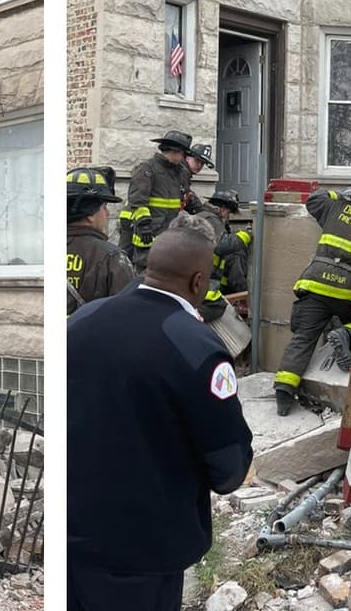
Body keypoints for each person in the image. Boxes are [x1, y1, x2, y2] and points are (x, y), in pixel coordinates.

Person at [67, 228, 253, 610]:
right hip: (144, 551)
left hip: (72, 536)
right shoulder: (195, 346)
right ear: (198, 280)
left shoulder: (83, 319)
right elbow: (229, 465)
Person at [273, 169, 351, 416]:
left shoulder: (334, 208)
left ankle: (284, 392)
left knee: (303, 338)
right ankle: (347, 335)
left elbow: (314, 199)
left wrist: (340, 196)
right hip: (347, 291)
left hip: (315, 284)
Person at [120, 131, 194, 270]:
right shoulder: (147, 169)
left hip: (169, 231)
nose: (183, 158)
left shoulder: (180, 172)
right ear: (173, 151)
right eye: (182, 154)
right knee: (146, 269)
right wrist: (144, 225)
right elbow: (137, 200)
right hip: (148, 232)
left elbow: (187, 195)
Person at [67, 168, 134, 316]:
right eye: (104, 207)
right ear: (90, 214)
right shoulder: (112, 258)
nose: (108, 214)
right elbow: (127, 315)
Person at [205, 190, 252, 295]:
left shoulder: (204, 216)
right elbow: (222, 245)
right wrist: (245, 236)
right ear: (222, 208)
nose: (229, 217)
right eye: (229, 212)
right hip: (208, 282)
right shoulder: (211, 219)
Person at [181, 143, 215, 216]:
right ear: (187, 157)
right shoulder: (181, 173)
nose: (199, 165)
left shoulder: (184, 174)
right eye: (197, 161)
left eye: (202, 163)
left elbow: (191, 199)